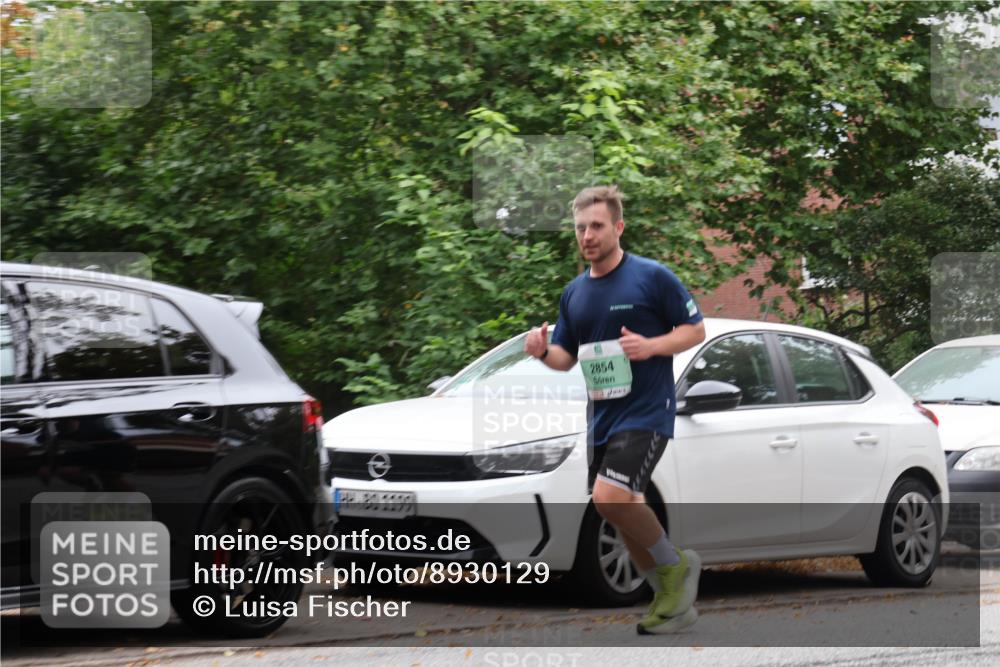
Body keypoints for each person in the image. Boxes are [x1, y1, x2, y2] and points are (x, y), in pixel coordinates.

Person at [524, 185, 706, 634]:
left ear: (618, 227)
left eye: (597, 226)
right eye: (581, 228)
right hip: (603, 418)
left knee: (610, 497)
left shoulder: (651, 277)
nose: (587, 235)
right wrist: (541, 352)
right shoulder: (574, 293)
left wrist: (651, 346)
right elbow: (566, 358)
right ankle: (671, 601)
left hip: (648, 412)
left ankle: (676, 566)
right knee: (615, 508)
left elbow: (695, 330)